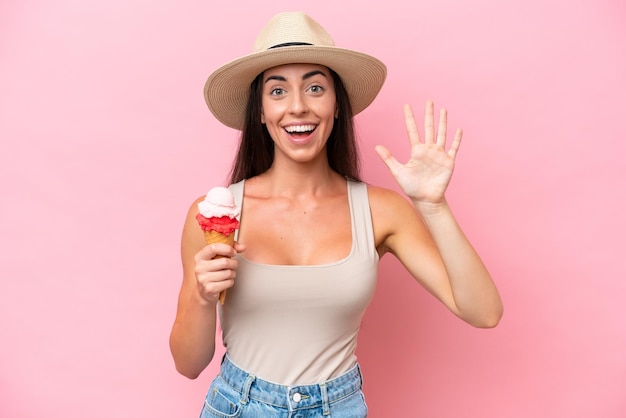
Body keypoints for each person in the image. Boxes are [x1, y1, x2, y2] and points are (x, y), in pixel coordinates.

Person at [169, 11, 503, 417]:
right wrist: (203, 297)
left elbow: (483, 312)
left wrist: (433, 205)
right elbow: (188, 365)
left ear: (337, 104)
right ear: (258, 111)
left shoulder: (382, 211)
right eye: (277, 91)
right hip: (237, 406)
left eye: (314, 87)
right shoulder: (212, 215)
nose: (297, 107)